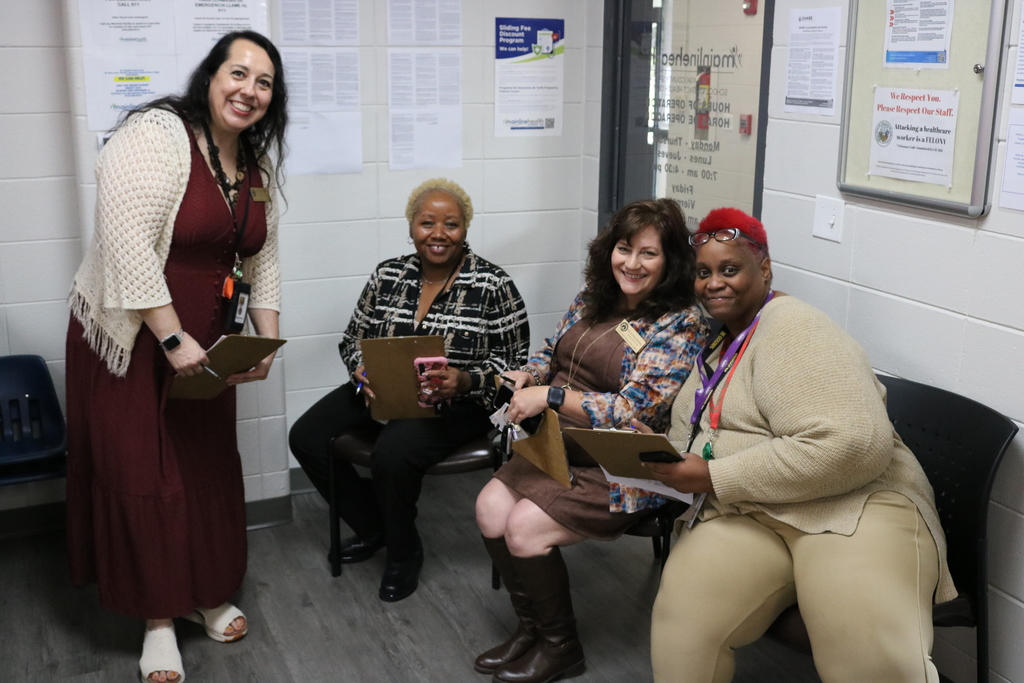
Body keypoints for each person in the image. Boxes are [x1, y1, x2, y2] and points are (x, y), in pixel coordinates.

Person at [644, 208, 954, 683]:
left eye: (730, 269)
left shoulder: (793, 327)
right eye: (704, 273)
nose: (714, 283)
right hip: (755, 508)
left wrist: (711, 476)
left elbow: (852, 445)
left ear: (764, 269)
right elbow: (705, 429)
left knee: (868, 660)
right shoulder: (720, 341)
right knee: (683, 622)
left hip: (851, 504)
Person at [64, 31, 288, 683]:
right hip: (134, 339)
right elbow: (126, 238)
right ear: (210, 76)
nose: (249, 89)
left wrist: (265, 339)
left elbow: (261, 254)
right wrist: (169, 335)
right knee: (145, 471)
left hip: (207, 345)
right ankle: (158, 617)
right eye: (238, 72)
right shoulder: (156, 134)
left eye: (265, 82)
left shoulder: (253, 163)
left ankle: (203, 591)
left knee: (204, 463)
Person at [474, 199, 708, 683]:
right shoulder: (592, 297)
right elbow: (550, 351)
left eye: (649, 254)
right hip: (558, 445)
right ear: (609, 251)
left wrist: (552, 395)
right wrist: (529, 375)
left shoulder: (679, 321)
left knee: (524, 527)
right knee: (489, 509)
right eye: (625, 249)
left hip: (622, 463)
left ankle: (561, 648)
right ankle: (532, 629)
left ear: (670, 262)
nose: (632, 263)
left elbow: (635, 408)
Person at [288, 178, 530, 603]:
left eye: (451, 224)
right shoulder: (387, 274)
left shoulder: (494, 284)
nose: (438, 234)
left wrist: (465, 379)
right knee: (306, 437)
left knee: (393, 452)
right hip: (383, 389)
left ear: (466, 229)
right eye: (427, 223)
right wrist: (359, 369)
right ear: (412, 226)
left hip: (459, 403)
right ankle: (376, 526)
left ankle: (404, 553)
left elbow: (514, 369)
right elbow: (351, 339)